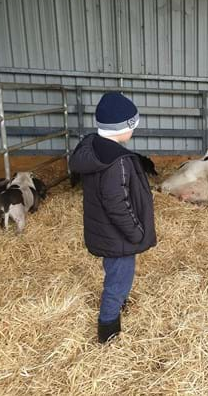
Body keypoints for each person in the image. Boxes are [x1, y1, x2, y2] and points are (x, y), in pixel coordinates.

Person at [69, 92, 156, 343]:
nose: (134, 130)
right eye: (133, 125)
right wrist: (135, 232)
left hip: (106, 233)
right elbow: (117, 203)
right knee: (118, 280)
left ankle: (119, 305)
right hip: (118, 236)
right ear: (124, 128)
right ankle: (108, 330)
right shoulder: (116, 161)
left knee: (116, 274)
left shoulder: (94, 149)